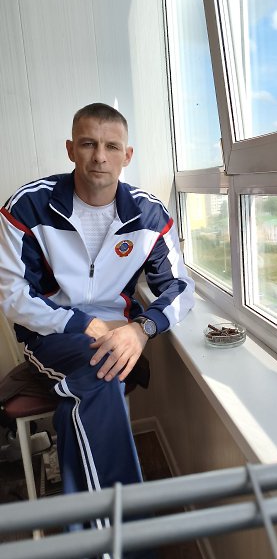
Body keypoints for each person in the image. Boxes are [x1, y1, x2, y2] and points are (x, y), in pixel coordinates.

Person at [0, 103, 194, 505]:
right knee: (102, 375)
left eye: (111, 146)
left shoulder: (149, 214)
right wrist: (83, 325)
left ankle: (89, 522)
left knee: (92, 385)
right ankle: (126, 526)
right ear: (71, 149)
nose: (100, 157)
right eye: (88, 144)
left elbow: (179, 287)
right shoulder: (27, 206)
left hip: (121, 334)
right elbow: (13, 295)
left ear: (127, 155)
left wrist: (143, 329)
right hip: (51, 333)